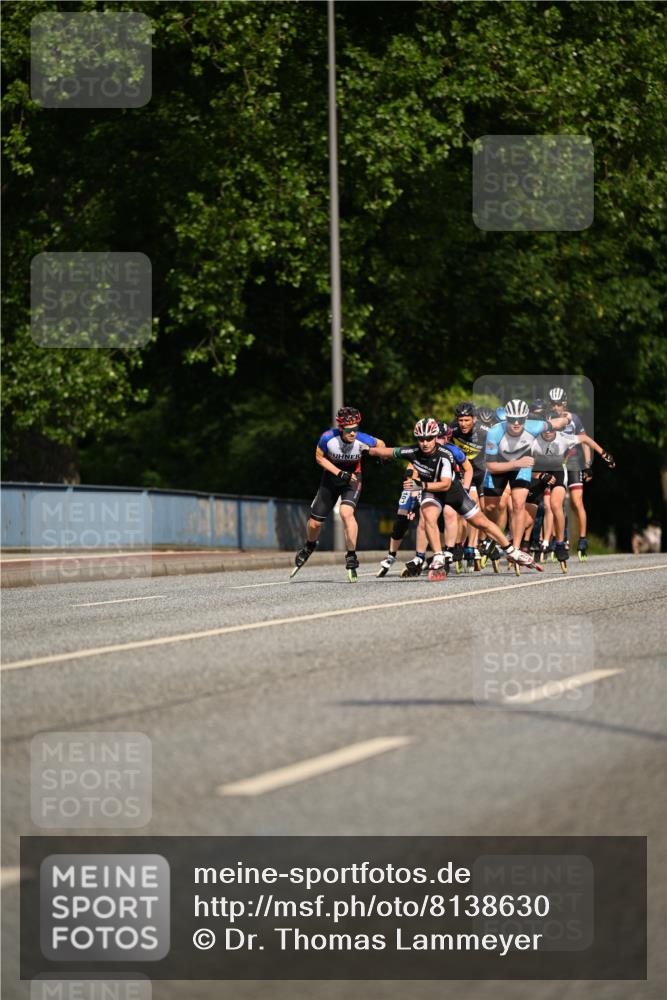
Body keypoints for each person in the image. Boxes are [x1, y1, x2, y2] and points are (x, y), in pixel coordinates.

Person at [370, 417, 540, 579]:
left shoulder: (445, 454)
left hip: (452, 490)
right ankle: (438, 556)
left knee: (481, 522)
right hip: (432, 492)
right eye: (421, 439)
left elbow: (444, 484)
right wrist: (366, 449)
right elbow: (388, 451)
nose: (425, 443)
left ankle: (513, 551)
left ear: (436, 437)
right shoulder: (413, 451)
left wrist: (422, 486)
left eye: (429, 438)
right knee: (428, 515)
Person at [292, 406, 385, 581]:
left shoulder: (362, 439)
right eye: (349, 430)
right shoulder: (328, 438)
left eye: (356, 428)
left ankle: (351, 555)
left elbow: (381, 444)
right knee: (314, 524)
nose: (353, 433)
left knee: (346, 513)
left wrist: (381, 456)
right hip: (331, 479)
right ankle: (309, 546)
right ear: (340, 428)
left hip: (353, 479)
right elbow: (319, 458)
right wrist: (338, 473)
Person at [483, 399, 573, 552]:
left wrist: (567, 418)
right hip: (500, 466)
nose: (516, 423)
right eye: (512, 420)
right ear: (507, 418)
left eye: (521, 420)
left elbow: (556, 423)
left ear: (526, 418)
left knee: (518, 505)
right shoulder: (495, 432)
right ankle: (493, 536)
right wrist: (516, 463)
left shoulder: (534, 426)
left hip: (522, 467)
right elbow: (490, 466)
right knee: (491, 507)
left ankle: (516, 548)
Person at [531, 419, 615, 564]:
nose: (549, 433)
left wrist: (604, 454)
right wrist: (539, 475)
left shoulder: (563, 438)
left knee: (556, 505)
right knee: (538, 507)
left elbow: (585, 439)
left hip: (558, 472)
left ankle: (560, 543)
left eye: (552, 430)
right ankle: (530, 542)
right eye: (546, 430)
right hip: (539, 472)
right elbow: (524, 465)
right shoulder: (533, 441)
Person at [548, 386, 590, 557]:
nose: (555, 407)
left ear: (564, 403)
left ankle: (582, 538)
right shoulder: (548, 419)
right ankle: (557, 538)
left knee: (576, 501)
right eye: (553, 404)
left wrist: (587, 464)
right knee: (553, 503)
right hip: (555, 462)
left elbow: (585, 441)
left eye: (558, 404)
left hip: (573, 462)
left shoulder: (574, 419)